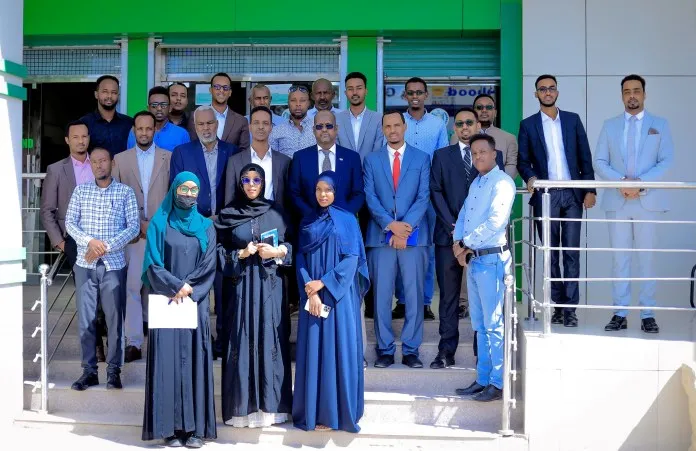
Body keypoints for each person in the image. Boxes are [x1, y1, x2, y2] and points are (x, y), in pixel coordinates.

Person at [141, 172, 218, 448]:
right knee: (168, 363)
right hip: (168, 302)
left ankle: (194, 430)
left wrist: (189, 288)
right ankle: (169, 429)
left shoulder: (206, 226)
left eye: (193, 189)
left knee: (194, 361)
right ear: (174, 190)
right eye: (183, 188)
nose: (188, 194)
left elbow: (209, 264)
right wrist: (176, 286)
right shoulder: (159, 222)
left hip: (193, 303)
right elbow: (152, 263)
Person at [594, 74, 674, 334]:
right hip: (617, 200)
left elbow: (666, 160)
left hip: (647, 200)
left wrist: (639, 183)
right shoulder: (610, 125)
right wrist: (622, 183)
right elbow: (600, 161)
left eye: (636, 91)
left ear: (644, 94)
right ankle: (620, 313)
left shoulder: (659, 125)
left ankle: (648, 314)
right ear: (621, 96)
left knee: (647, 259)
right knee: (620, 259)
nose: (632, 95)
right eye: (627, 91)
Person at [215, 163, 292, 428]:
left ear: (263, 182)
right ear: (239, 184)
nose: (251, 185)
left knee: (270, 338)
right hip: (240, 288)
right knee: (242, 337)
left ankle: (272, 408)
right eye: (246, 180)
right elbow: (216, 252)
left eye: (256, 180)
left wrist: (278, 252)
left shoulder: (277, 212)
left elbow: (292, 244)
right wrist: (241, 253)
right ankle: (241, 410)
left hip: (270, 287)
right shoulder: (228, 214)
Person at [517, 74, 597, 328]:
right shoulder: (528, 125)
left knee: (571, 252)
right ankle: (557, 307)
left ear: (557, 92)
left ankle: (570, 309)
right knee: (550, 253)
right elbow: (522, 161)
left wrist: (590, 189)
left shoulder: (572, 120)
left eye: (551, 88)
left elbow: (585, 156)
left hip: (573, 193)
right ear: (536, 94)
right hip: (546, 195)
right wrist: (531, 178)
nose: (548, 92)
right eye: (543, 89)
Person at [292, 172, 368, 432]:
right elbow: (300, 258)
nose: (322, 194)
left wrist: (322, 283)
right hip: (312, 297)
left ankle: (336, 413)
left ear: (336, 192)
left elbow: (352, 259)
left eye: (328, 190)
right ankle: (314, 412)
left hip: (338, 297)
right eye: (318, 189)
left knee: (337, 351)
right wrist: (310, 290)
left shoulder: (347, 220)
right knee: (314, 351)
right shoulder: (308, 220)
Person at [430, 107, 504, 369]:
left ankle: (480, 353)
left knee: (481, 300)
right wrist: (455, 229)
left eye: (469, 123)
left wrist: (469, 235)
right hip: (447, 236)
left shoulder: (492, 156)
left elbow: (492, 198)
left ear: (478, 126)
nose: (464, 127)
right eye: (459, 123)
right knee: (448, 297)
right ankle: (446, 351)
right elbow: (435, 191)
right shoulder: (441, 156)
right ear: (454, 128)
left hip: (482, 242)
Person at [65, 147, 140, 391]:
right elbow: (70, 223)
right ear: (91, 165)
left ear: (112, 163)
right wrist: (90, 242)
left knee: (114, 318)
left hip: (113, 265)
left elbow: (133, 227)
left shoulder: (125, 192)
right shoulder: (81, 191)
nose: (99, 165)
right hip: (85, 265)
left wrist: (104, 247)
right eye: (95, 161)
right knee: (86, 320)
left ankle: (113, 371)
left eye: (103, 160)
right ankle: (89, 372)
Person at [363, 110, 431, 369]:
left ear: (405, 127)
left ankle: (411, 350)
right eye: (387, 126)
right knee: (381, 297)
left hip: (415, 236)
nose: (392, 130)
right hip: (381, 237)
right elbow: (370, 197)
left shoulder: (421, 158)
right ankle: (385, 350)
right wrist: (390, 226)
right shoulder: (371, 160)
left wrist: (404, 229)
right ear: (383, 130)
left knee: (414, 296)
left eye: (396, 125)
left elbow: (423, 197)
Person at [453, 134, 515, 402]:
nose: (478, 157)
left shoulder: (502, 182)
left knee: (493, 324)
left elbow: (496, 222)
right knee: (479, 325)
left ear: (494, 154)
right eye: (474, 153)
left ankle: (497, 383)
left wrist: (465, 243)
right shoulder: (477, 182)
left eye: (482, 152)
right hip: (475, 260)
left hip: (492, 260)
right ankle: (482, 379)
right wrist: (458, 243)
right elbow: (463, 216)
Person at [41, 121, 107, 362]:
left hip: (104, 239)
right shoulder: (56, 170)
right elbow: (47, 210)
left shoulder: (100, 163)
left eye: (84, 136)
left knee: (106, 290)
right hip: (74, 242)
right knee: (88, 293)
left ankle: (108, 333)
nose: (81, 141)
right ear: (67, 140)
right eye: (76, 137)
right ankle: (95, 345)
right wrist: (60, 242)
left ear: (89, 138)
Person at [113, 111, 172, 362]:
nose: (145, 133)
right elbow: (115, 199)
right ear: (133, 130)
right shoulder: (120, 160)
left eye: (149, 128)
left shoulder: (169, 158)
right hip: (133, 235)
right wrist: (139, 225)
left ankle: (160, 342)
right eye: (140, 129)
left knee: (159, 288)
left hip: (161, 233)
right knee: (133, 288)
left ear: (154, 130)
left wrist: (155, 225)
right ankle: (134, 342)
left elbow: (173, 197)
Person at [395, 77, 448, 321]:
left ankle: (425, 302)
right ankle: (402, 302)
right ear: (405, 95)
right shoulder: (398, 122)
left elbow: (441, 159)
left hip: (428, 196)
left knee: (427, 250)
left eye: (419, 92)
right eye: (410, 92)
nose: (415, 96)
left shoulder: (437, 125)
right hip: (400, 195)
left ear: (426, 95)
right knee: (399, 246)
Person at [289, 110, 364, 218]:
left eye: (329, 126)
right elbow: (294, 193)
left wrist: (343, 216)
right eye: (319, 126)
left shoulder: (352, 158)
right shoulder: (300, 157)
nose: (324, 129)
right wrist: (313, 217)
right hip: (310, 223)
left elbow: (358, 193)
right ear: (313, 130)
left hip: (343, 222)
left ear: (336, 129)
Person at [171, 105, 238, 218]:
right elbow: (176, 192)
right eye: (201, 124)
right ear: (195, 126)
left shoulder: (232, 151)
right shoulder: (181, 153)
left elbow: (237, 191)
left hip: (225, 221)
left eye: (210, 123)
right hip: (192, 222)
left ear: (217, 124)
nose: (206, 127)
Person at [225, 106, 291, 209]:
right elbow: (229, 202)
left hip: (275, 217)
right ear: (250, 127)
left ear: (271, 127)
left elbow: (288, 200)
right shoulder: (234, 162)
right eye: (256, 123)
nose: (261, 127)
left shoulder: (284, 162)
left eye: (265, 123)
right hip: (244, 217)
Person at [449, 94, 519, 179]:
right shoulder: (456, 137)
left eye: (489, 107)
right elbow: (452, 166)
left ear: (495, 113)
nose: (484, 110)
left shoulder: (509, 139)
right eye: (479, 107)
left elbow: (512, 165)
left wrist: (495, 182)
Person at [187, 72, 250, 152]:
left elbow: (244, 153)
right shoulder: (195, 116)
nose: (221, 90)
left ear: (230, 92)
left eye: (225, 88)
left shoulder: (241, 121)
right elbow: (192, 148)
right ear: (210, 90)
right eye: (217, 87)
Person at [80, 75, 133, 156]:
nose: (109, 96)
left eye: (114, 92)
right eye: (105, 92)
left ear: (118, 96)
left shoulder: (129, 123)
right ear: (96, 94)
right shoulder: (84, 123)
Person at [336, 72, 384, 161]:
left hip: (370, 169)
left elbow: (378, 150)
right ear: (345, 93)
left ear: (366, 91)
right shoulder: (336, 119)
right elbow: (336, 149)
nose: (355, 92)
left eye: (359, 88)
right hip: (344, 168)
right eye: (350, 89)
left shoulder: (378, 119)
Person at [126, 86, 189, 151]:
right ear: (148, 108)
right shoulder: (134, 132)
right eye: (154, 105)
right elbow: (130, 155)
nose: (159, 109)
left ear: (170, 108)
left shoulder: (182, 134)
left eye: (163, 105)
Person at [269, 85, 316, 158]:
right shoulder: (277, 131)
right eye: (293, 100)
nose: (298, 104)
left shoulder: (318, 128)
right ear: (288, 103)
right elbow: (272, 160)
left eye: (302, 100)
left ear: (308, 103)